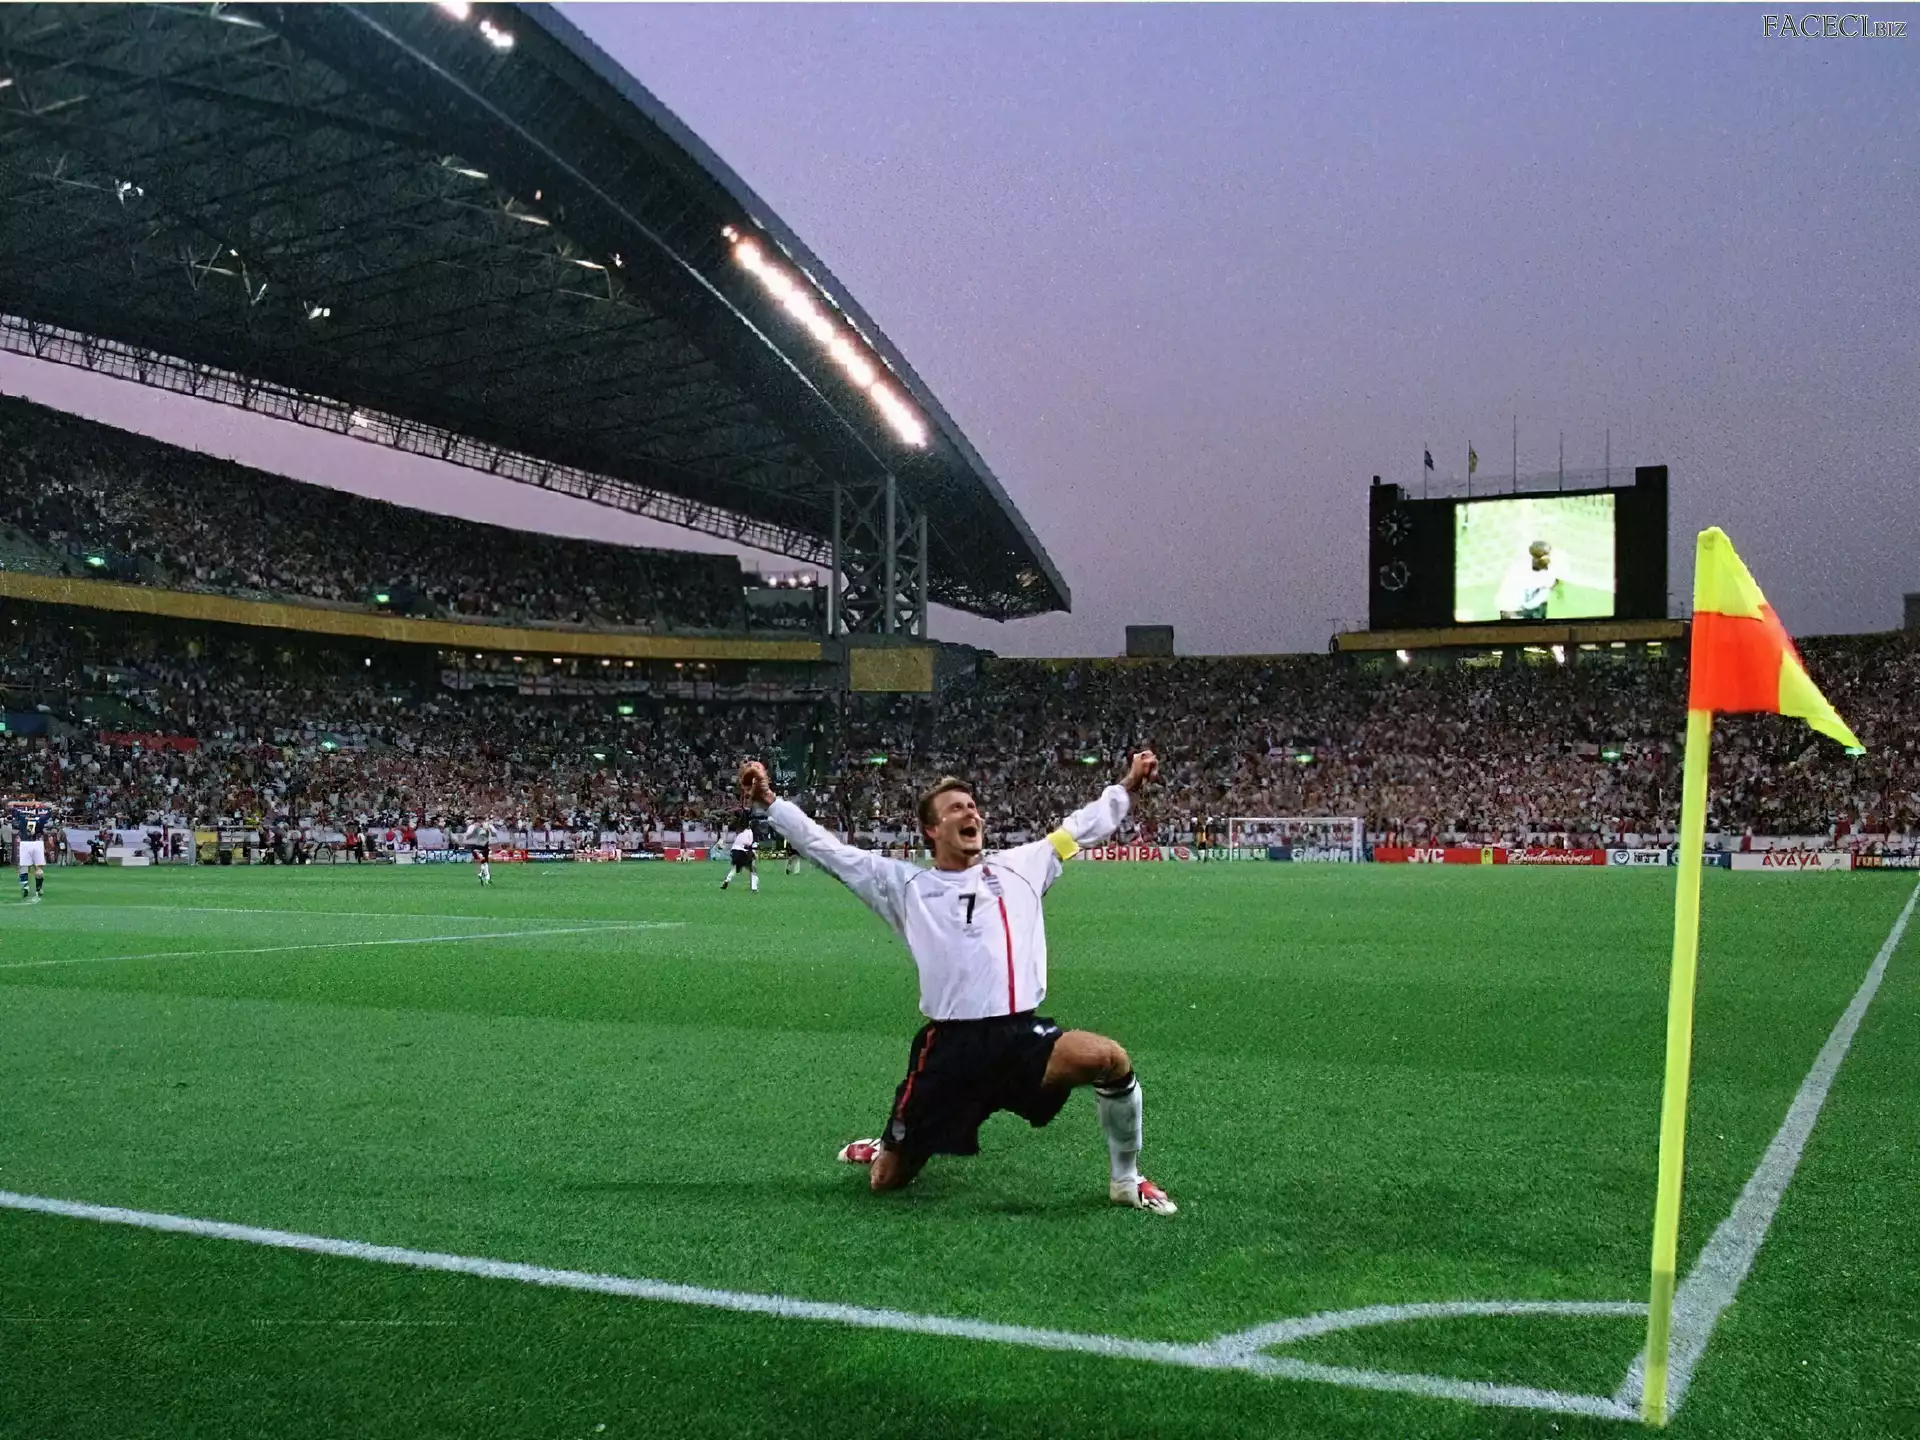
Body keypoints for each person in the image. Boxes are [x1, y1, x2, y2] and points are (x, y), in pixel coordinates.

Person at [738, 751, 1177, 1214]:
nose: (971, 813)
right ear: (931, 829)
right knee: (886, 1182)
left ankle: (1125, 1179)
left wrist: (1127, 787)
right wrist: (769, 800)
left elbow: (1081, 828)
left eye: (972, 806)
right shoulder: (904, 885)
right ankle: (890, 1143)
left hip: (1020, 1040)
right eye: (956, 808)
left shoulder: (1024, 865)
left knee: (1109, 1059)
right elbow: (827, 850)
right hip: (950, 1051)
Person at [1497, 539, 1561, 620]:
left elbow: (1549, 585)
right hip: (1516, 610)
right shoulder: (1518, 570)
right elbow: (1507, 596)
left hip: (1535, 608)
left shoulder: (1551, 570)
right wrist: (1510, 613)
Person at [9, 795, 56, 902]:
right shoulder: (41, 817)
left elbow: (10, 805)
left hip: (25, 843)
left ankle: (25, 886)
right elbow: (52, 809)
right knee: (38, 869)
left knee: (23, 867)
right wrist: (42, 805)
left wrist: (22, 803)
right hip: (37, 843)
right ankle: (38, 889)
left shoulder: (22, 814)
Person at [720, 814, 759, 892]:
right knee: (752, 870)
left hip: (734, 851)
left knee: (736, 868)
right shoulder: (750, 832)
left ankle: (727, 880)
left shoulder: (741, 831)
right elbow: (748, 843)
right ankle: (754, 888)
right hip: (741, 852)